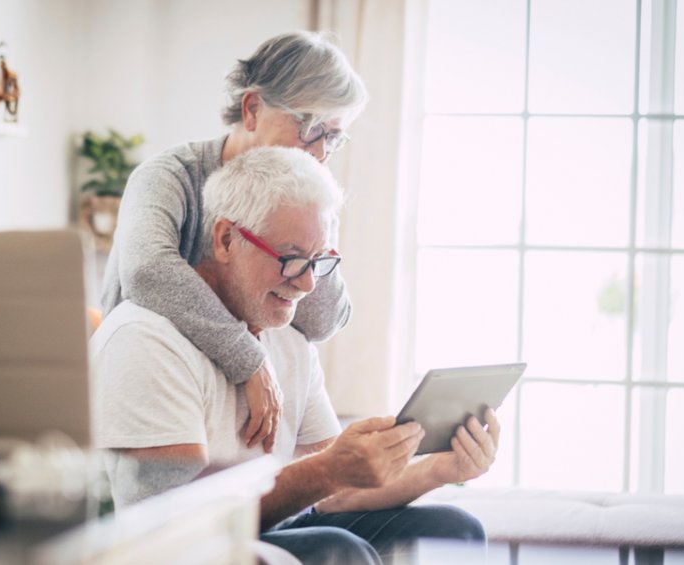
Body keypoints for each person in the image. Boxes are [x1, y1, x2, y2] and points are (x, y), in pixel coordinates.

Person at [92, 147, 499, 564]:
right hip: (176, 550)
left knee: (455, 530)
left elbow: (335, 495)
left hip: (268, 527)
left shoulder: (286, 337)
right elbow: (177, 522)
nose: (306, 285)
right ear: (226, 239)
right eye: (290, 259)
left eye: (318, 262)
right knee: (338, 551)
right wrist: (327, 469)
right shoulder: (146, 339)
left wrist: (439, 470)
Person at [100, 31, 368, 453]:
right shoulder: (169, 177)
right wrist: (249, 358)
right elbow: (146, 270)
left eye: (333, 136)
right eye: (310, 127)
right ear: (252, 109)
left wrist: (310, 230)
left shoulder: (307, 191)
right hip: (152, 394)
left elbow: (322, 320)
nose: (320, 152)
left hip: (235, 419)